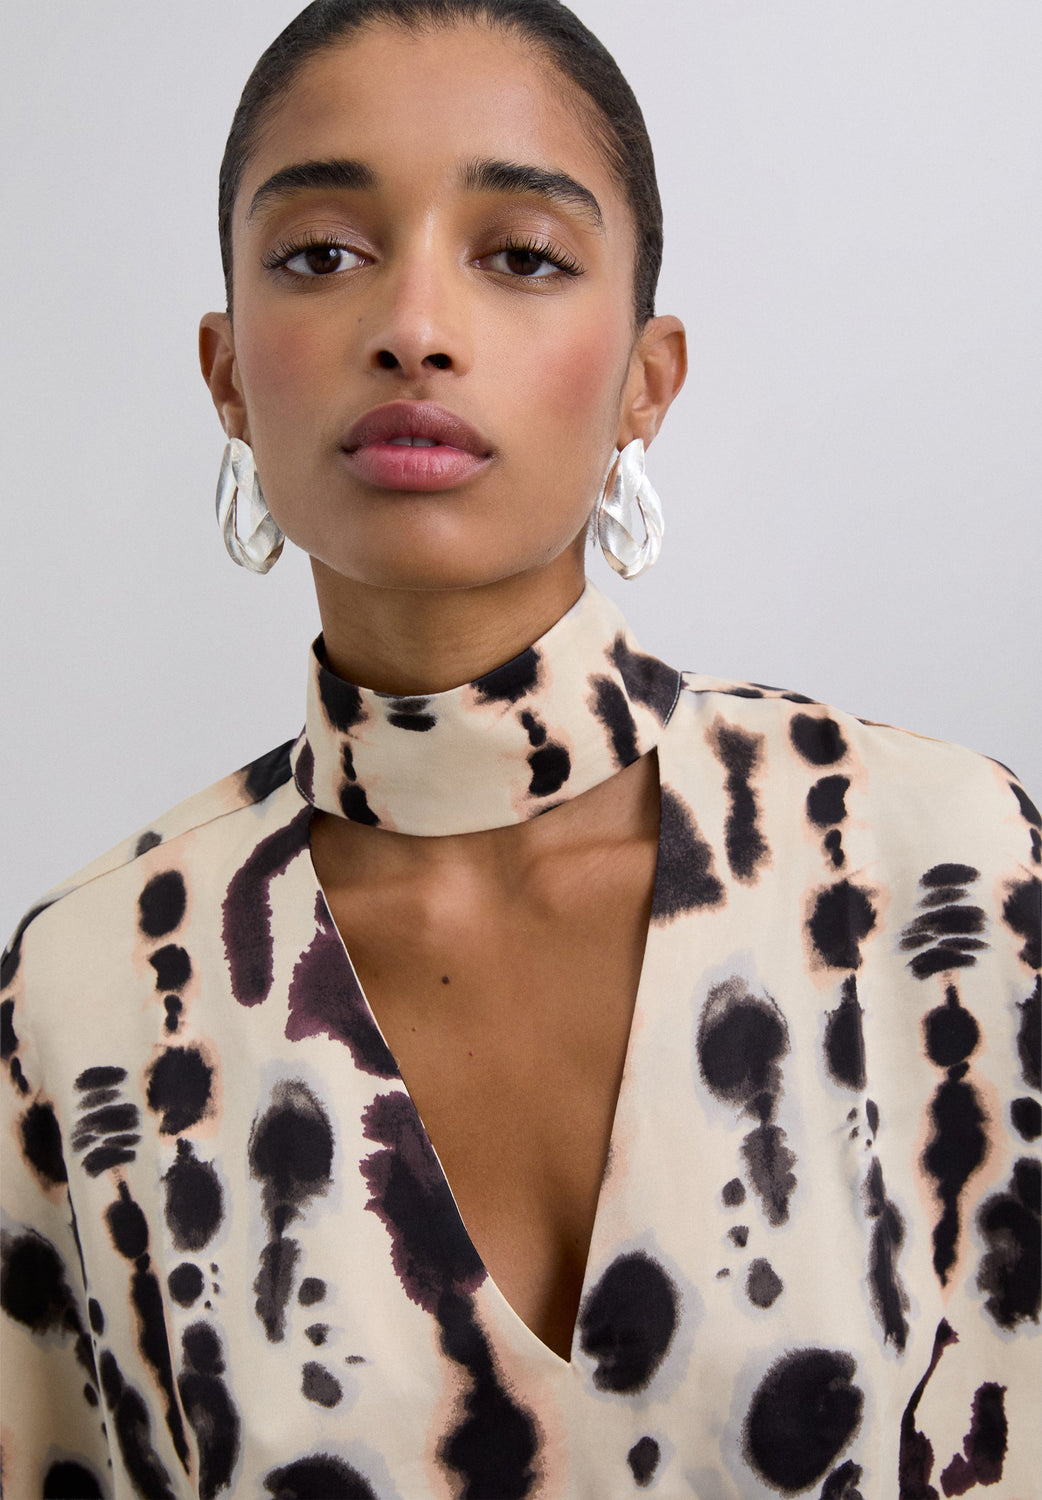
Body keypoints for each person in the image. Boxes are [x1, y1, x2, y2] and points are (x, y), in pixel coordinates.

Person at [1, 1, 1038, 1495]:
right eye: (322, 255)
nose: (414, 326)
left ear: (646, 380)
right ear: (225, 372)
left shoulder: (940, 876)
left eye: (523, 257)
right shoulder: (83, 1001)